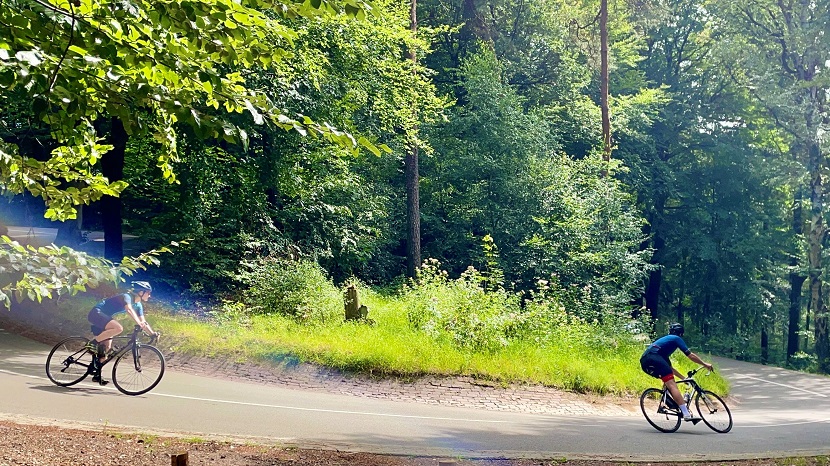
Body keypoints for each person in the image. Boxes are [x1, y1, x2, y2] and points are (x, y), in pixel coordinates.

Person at [86, 281, 157, 385]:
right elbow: (129, 310)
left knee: (106, 348)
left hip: (105, 317)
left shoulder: (138, 305)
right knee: (118, 328)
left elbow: (143, 321)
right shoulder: (126, 296)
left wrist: (152, 333)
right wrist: (138, 323)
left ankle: (97, 374)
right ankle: (92, 343)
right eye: (148, 293)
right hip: (97, 313)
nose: (150, 296)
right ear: (141, 292)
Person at [640, 322, 713, 422]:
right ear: (681, 334)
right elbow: (690, 355)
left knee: (667, 380)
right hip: (654, 359)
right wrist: (705, 364)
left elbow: (670, 369)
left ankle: (666, 404)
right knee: (672, 384)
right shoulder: (676, 338)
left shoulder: (663, 348)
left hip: (644, 361)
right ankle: (686, 413)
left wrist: (683, 378)